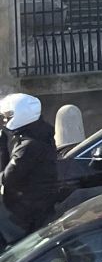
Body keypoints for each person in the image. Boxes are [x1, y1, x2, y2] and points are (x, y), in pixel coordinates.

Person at [0, 93, 59, 248]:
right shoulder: (40, 133)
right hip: (37, 202)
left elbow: (8, 178)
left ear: (21, 115)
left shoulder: (28, 146)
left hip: (29, 210)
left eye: (7, 117)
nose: (5, 121)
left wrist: (2, 146)